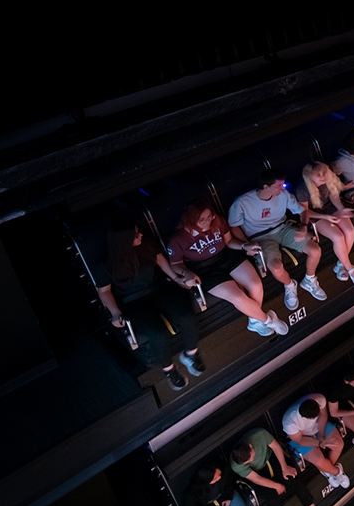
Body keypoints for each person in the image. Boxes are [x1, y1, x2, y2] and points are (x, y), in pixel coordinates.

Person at [96, 220, 201, 391]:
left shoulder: (147, 246)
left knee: (186, 315)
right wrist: (115, 312)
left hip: (157, 287)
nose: (141, 235)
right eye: (137, 234)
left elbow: (162, 263)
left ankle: (191, 354)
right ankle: (169, 370)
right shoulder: (106, 265)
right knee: (157, 333)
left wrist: (177, 279)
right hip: (132, 300)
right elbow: (104, 291)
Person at [167, 201, 289, 337]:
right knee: (237, 296)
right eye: (202, 220)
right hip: (204, 270)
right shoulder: (179, 239)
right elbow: (176, 264)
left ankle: (255, 320)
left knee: (255, 285)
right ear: (190, 220)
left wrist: (244, 246)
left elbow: (229, 241)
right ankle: (268, 320)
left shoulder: (217, 221)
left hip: (226, 257)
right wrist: (187, 273)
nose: (207, 222)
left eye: (209, 217)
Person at [227, 168, 327, 311]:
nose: (283, 188)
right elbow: (233, 226)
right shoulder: (242, 202)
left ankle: (309, 280)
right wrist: (246, 244)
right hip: (260, 237)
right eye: (279, 185)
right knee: (274, 266)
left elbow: (302, 211)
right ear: (266, 187)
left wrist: (304, 227)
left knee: (315, 250)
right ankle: (290, 285)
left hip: (282, 228)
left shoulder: (284, 195)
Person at [229, 427, 324, 506]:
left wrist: (284, 467)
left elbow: (276, 447)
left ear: (251, 446)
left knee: (291, 478)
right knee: (271, 498)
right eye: (248, 462)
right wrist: (276, 486)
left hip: (269, 458)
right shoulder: (236, 465)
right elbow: (256, 478)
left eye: (252, 457)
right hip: (257, 474)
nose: (251, 461)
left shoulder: (259, 434)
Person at [297, 162, 354, 286]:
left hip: (331, 209)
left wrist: (341, 210)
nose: (323, 176)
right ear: (310, 176)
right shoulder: (302, 189)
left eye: (324, 172)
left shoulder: (327, 181)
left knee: (349, 231)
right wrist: (327, 217)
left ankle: (341, 264)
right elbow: (305, 212)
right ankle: (349, 268)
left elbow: (334, 197)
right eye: (319, 175)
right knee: (338, 237)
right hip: (316, 216)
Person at [281, 393, 350, 490]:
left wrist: (321, 436)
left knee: (338, 445)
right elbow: (300, 440)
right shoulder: (289, 421)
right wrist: (319, 443)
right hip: (301, 436)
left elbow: (323, 416)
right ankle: (336, 472)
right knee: (319, 461)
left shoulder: (319, 398)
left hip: (317, 428)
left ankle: (326, 470)